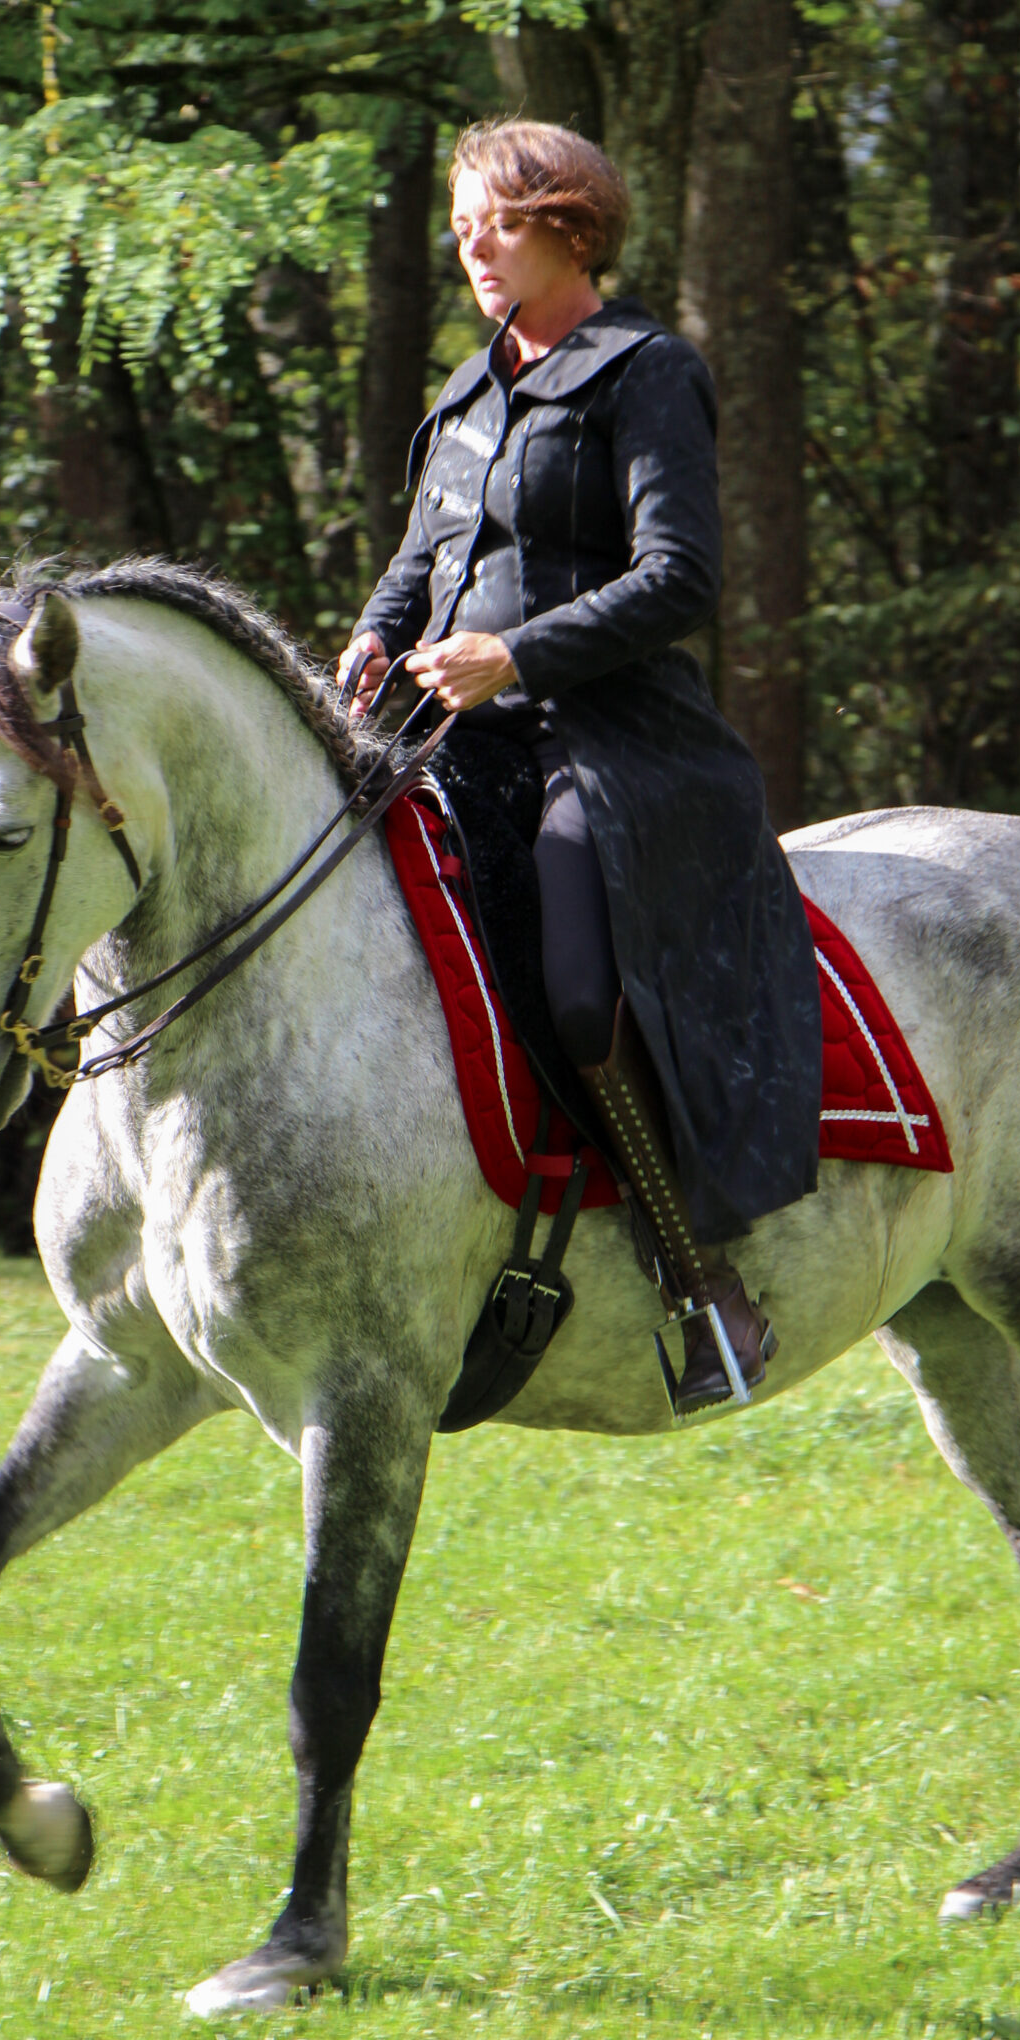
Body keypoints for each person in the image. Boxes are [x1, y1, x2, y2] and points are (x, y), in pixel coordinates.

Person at [339, 119, 822, 1414]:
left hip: (609, 742)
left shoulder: (646, 373)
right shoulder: (463, 390)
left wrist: (518, 655)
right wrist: (378, 641)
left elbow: (682, 579)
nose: (472, 250)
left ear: (571, 224)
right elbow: (421, 560)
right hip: (449, 740)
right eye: (457, 230)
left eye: (494, 223)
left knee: (566, 987)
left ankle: (692, 1270)